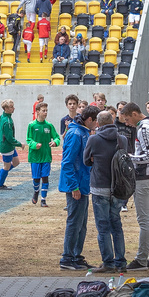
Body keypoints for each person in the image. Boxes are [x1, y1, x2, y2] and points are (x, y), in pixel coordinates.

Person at [84, 104, 129, 273]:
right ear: (112, 121)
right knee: (116, 225)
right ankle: (121, 262)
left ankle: (108, 263)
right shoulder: (121, 139)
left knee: (103, 228)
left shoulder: (93, 139)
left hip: (99, 187)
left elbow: (86, 161)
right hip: (117, 188)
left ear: (98, 123)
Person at [58, 104, 94, 271]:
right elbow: (67, 163)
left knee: (81, 223)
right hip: (77, 185)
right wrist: (74, 187)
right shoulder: (76, 133)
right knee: (74, 222)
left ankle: (75, 255)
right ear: (89, 120)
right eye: (96, 122)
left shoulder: (83, 132)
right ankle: (67, 257)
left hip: (82, 184)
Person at [124, 102, 149, 269]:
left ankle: (142, 258)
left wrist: (129, 158)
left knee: (145, 221)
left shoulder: (143, 128)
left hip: (144, 178)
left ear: (135, 114)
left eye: (128, 119)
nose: (128, 123)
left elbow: (148, 156)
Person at [26, 101, 60, 207]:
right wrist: (34, 144)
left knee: (45, 177)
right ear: (37, 112)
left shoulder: (49, 125)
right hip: (35, 157)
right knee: (36, 178)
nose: (45, 113)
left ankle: (43, 199)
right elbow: (28, 139)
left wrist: (55, 142)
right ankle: (36, 191)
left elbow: (57, 137)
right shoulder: (31, 125)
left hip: (46, 156)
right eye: (43, 111)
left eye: (46, 111)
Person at [0, 99, 20, 188]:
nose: (13, 108)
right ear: (6, 108)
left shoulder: (2, 117)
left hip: (8, 146)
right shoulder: (7, 121)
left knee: (16, 162)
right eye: (11, 107)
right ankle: (0, 185)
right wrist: (20, 144)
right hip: (7, 146)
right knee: (6, 166)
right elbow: (10, 138)